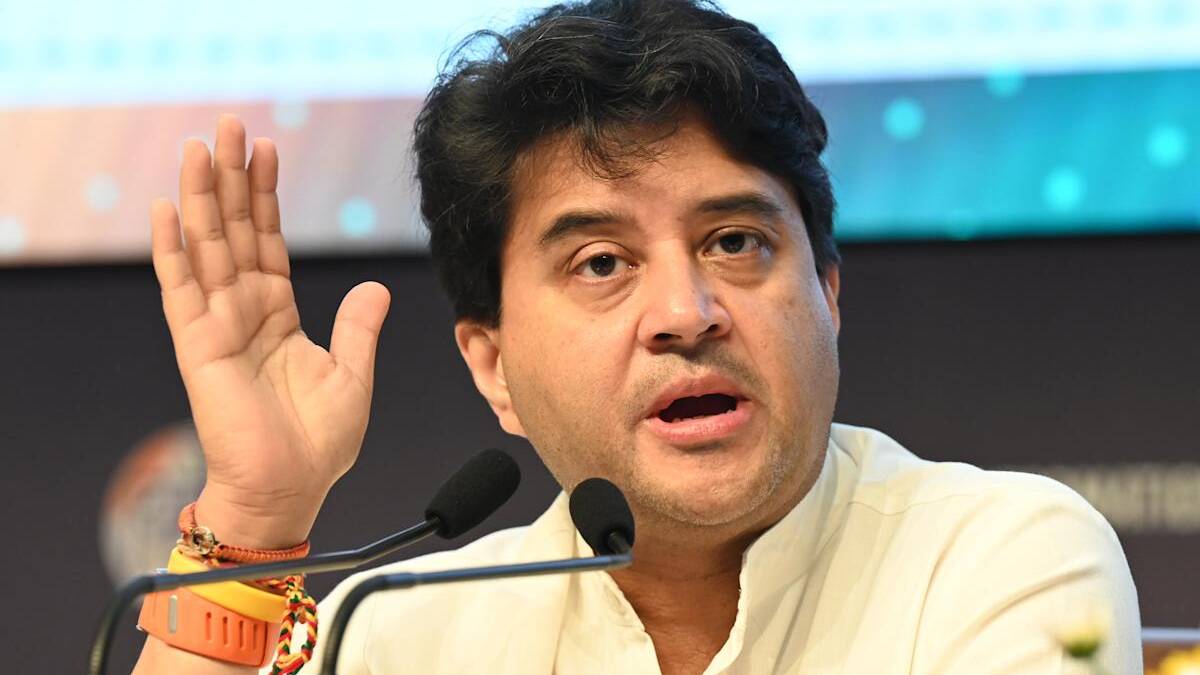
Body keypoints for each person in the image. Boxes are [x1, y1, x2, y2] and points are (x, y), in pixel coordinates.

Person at [132, 1, 1140, 673]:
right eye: (601, 263)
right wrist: (253, 516)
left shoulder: (995, 558)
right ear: (495, 367)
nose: (687, 312)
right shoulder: (398, 630)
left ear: (828, 294)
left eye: (735, 241)